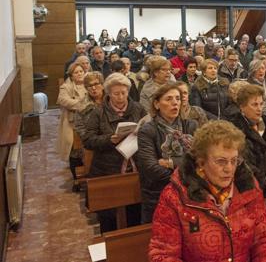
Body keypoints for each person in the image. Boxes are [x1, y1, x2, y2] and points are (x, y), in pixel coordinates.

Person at [149, 120, 266, 261]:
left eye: (234, 160)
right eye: (221, 161)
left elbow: (265, 240)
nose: (229, 168)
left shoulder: (248, 188)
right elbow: (163, 254)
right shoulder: (175, 196)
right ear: (201, 161)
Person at [83, 73, 146, 231]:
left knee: (134, 214)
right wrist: (109, 139)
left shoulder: (138, 109)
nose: (120, 97)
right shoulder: (98, 112)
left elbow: (149, 131)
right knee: (109, 218)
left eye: (124, 93)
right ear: (108, 94)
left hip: (134, 166)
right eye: (116, 94)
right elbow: (88, 140)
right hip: (108, 169)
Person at [137, 83, 198, 223]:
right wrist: (189, 171)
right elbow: (151, 169)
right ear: (157, 104)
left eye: (177, 98)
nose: (175, 102)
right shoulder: (147, 130)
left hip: (190, 192)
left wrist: (171, 163)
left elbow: (201, 160)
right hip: (158, 194)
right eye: (169, 99)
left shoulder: (190, 125)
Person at [230, 85, 266, 191]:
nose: (259, 109)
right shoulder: (234, 128)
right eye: (254, 104)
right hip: (252, 186)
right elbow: (244, 165)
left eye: (261, 104)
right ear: (242, 107)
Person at [57, 62, 89, 185]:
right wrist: (83, 105)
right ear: (71, 75)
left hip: (88, 123)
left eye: (81, 71)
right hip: (72, 123)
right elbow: (63, 100)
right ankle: (76, 179)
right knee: (74, 151)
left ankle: (86, 175)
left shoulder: (89, 83)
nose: (79, 74)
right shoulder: (67, 86)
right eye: (76, 72)